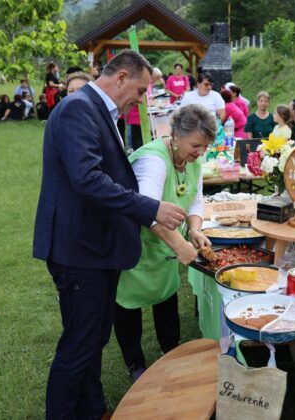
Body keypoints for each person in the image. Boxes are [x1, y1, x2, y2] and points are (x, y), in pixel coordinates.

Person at [32, 49, 187, 419]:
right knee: (79, 346)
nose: (141, 99)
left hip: (96, 247)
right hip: (79, 250)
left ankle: (92, 408)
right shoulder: (77, 108)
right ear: (120, 78)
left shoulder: (99, 111)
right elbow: (87, 178)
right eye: (139, 90)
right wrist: (151, 208)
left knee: (94, 339)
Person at [114, 104, 215, 382]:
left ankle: (170, 353)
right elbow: (148, 211)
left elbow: (195, 197)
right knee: (128, 308)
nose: (200, 152)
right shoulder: (154, 161)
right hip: (137, 246)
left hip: (164, 248)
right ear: (175, 135)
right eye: (196, 145)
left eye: (205, 147)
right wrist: (180, 246)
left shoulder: (193, 159)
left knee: (167, 302)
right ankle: (135, 364)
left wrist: (194, 230)